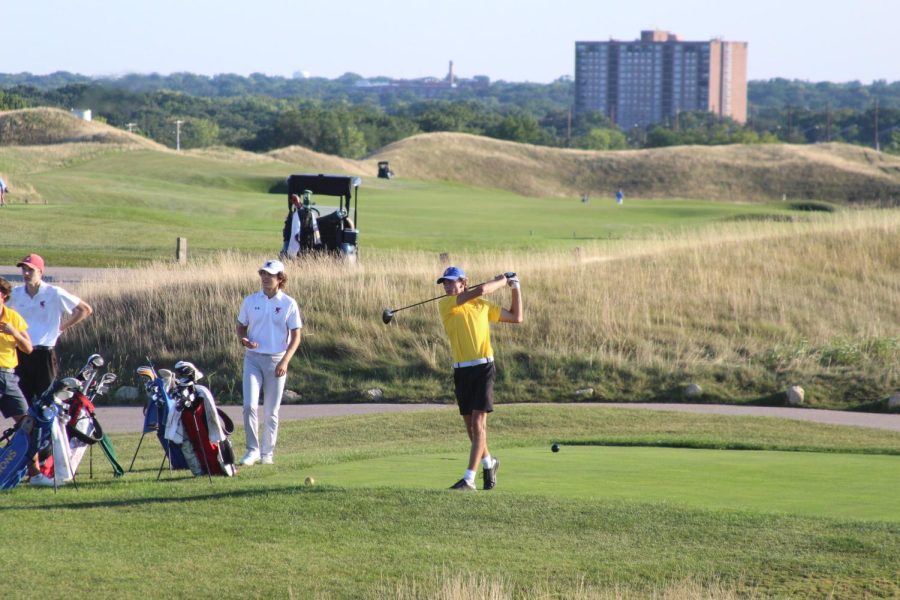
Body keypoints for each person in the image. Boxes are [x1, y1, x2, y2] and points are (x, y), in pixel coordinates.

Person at [436, 266, 523, 491]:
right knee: (470, 428)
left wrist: (515, 287)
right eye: (444, 282)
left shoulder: (482, 307)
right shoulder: (447, 304)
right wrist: (503, 280)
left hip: (484, 367)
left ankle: (469, 479)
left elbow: (516, 317)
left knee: (478, 424)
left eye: (451, 282)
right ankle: (489, 463)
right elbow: (483, 289)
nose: (446, 286)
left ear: (463, 282)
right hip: (461, 371)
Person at [235, 259, 302, 465]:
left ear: (280, 279)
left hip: (276, 361)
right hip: (253, 359)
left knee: (271, 411)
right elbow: (241, 325)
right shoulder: (251, 300)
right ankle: (252, 450)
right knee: (249, 406)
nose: (265, 278)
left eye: (270, 275)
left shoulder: (288, 304)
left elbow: (296, 336)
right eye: (263, 274)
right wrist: (243, 339)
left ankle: (267, 454)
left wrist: (285, 362)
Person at [9, 254, 93, 404]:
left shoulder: (54, 293)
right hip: (21, 352)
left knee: (46, 402)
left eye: (31, 270)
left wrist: (62, 328)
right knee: (23, 403)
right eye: (24, 270)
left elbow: (85, 309)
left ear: (40, 272)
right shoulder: (16, 294)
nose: (26, 273)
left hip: (44, 354)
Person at [0, 276, 40, 481]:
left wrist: (13, 332)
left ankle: (35, 473)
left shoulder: (12, 317)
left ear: (4, 296)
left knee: (27, 423)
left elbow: (28, 347)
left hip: (6, 375)